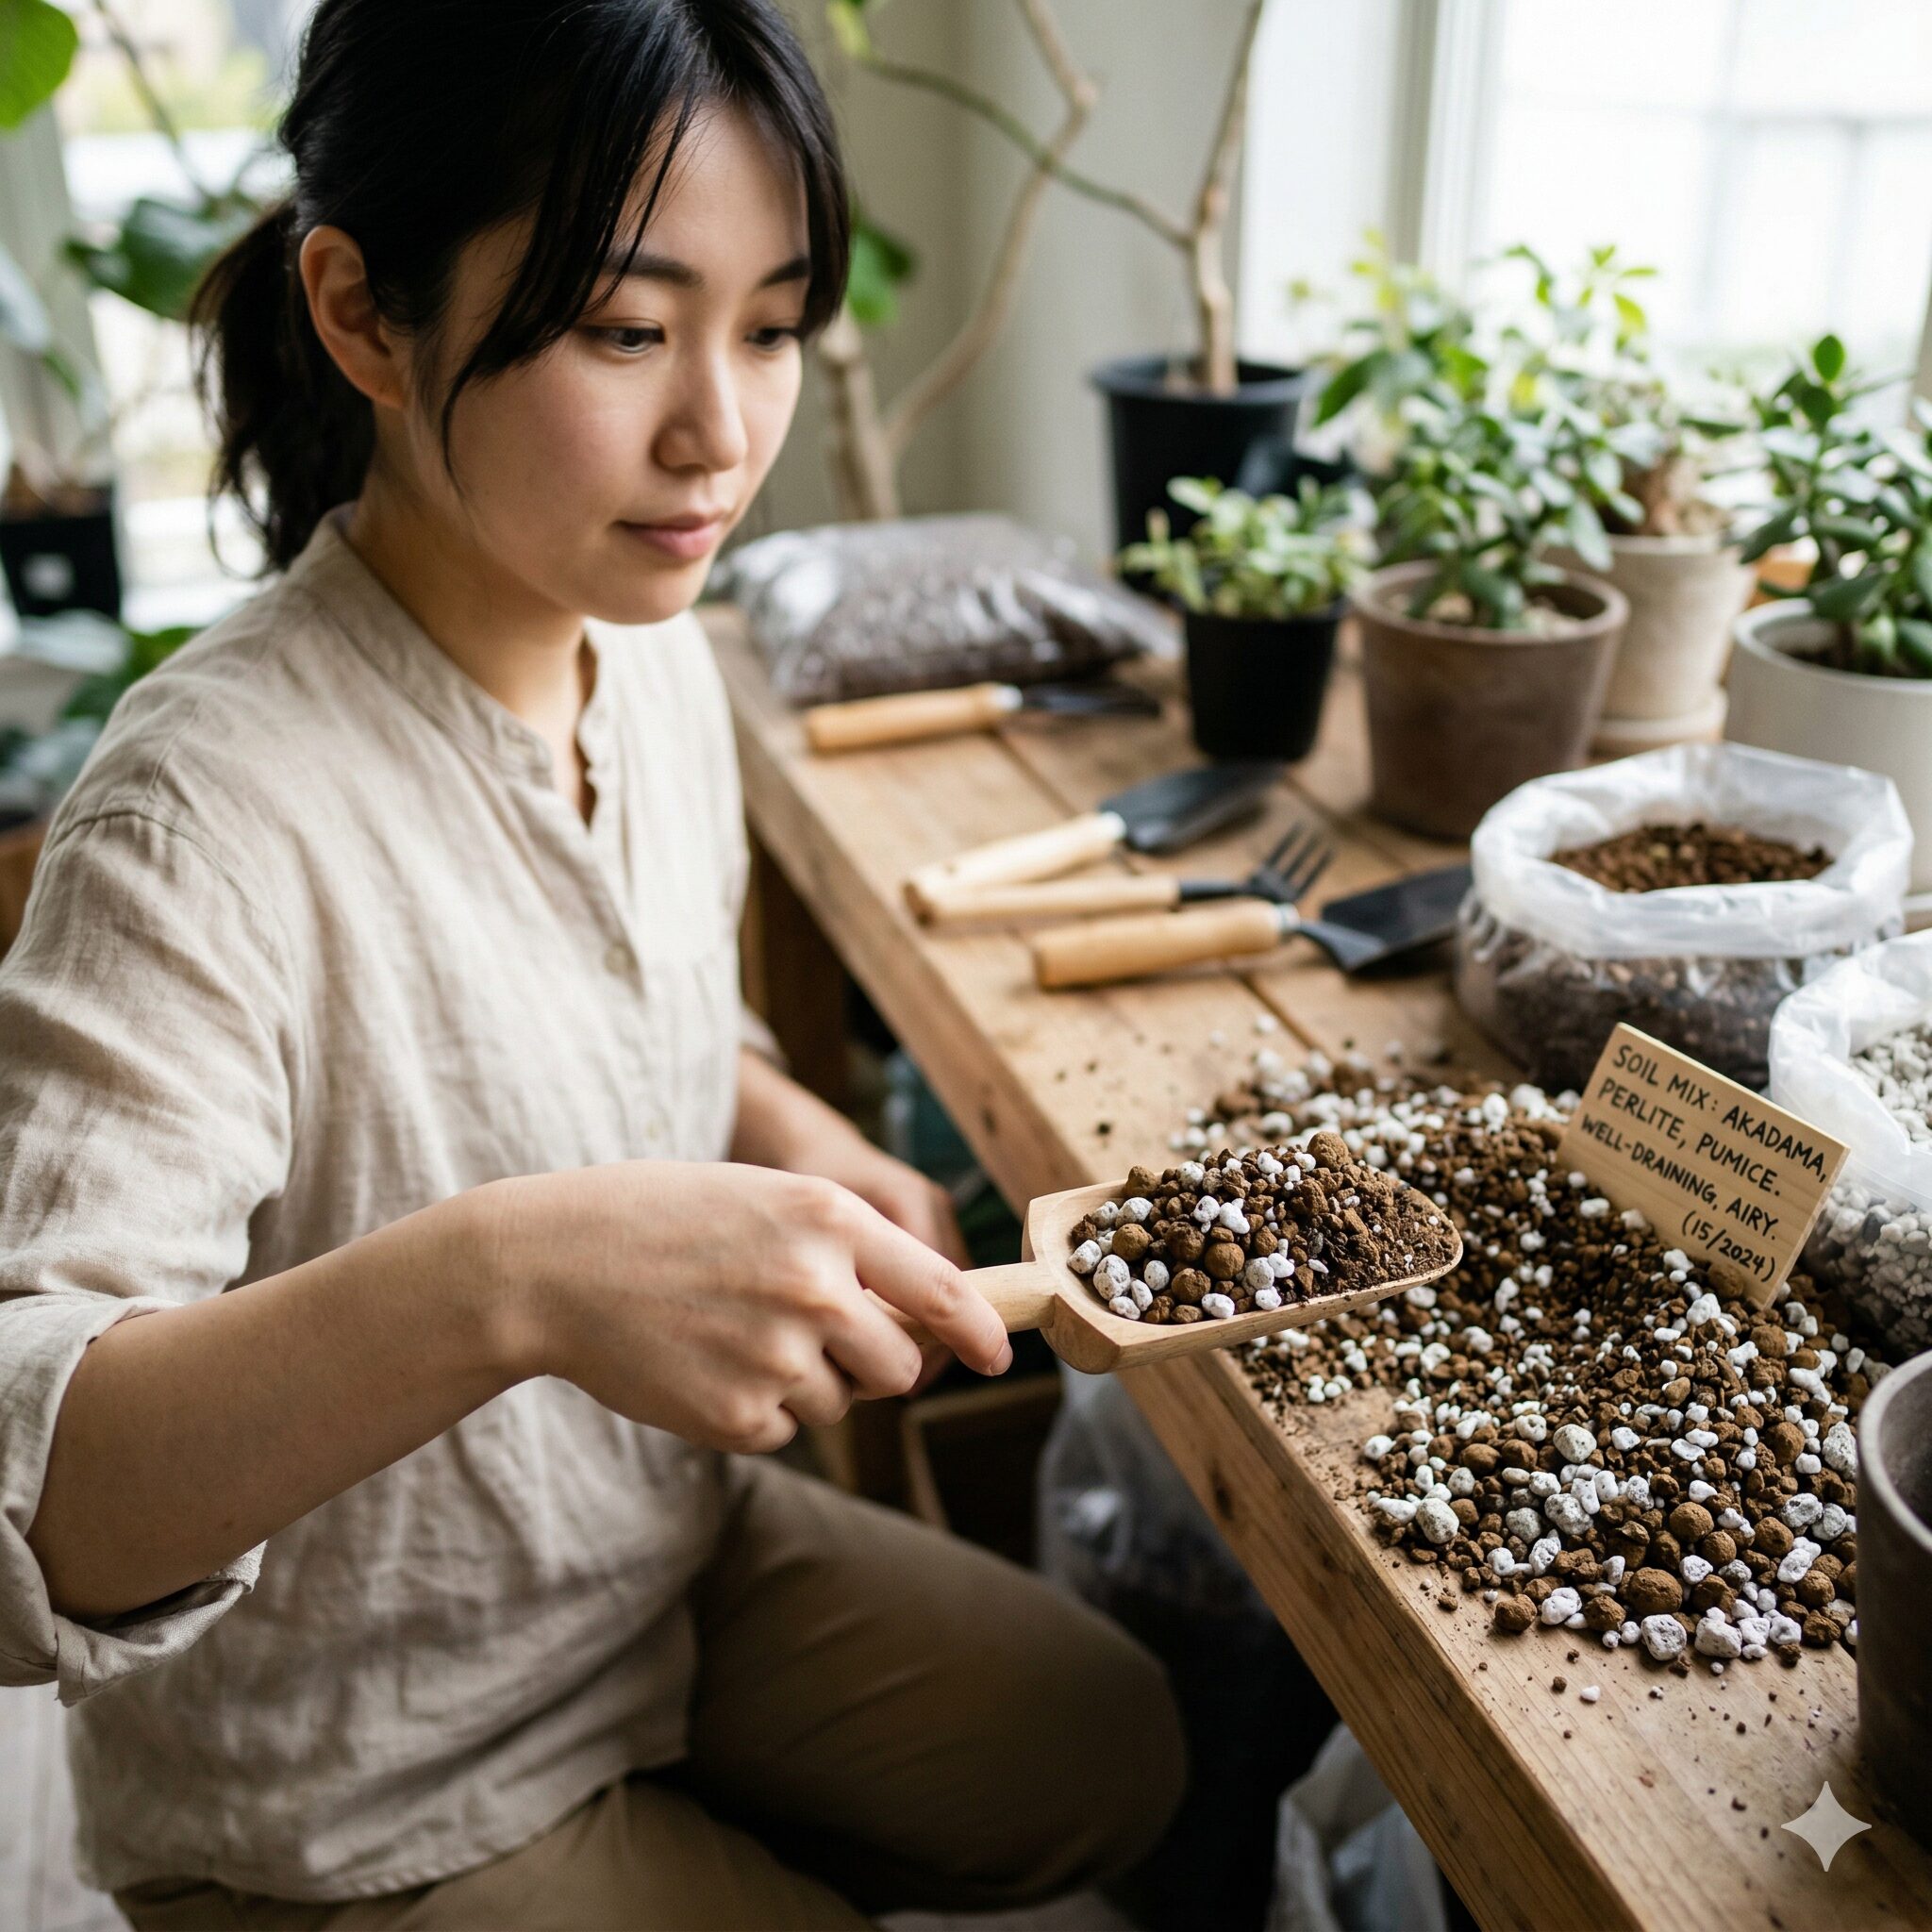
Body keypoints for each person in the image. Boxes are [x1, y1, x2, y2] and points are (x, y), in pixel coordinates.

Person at [0, 4, 1185, 1925]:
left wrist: (776, 1110)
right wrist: (515, 1278)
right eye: (627, 331)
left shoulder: (648, 646)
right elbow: (29, 1478)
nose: (722, 432)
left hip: (637, 1551)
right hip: (364, 1754)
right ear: (365, 316)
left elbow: (608, 995)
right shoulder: (195, 818)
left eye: (775, 323)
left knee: (1107, 1744)